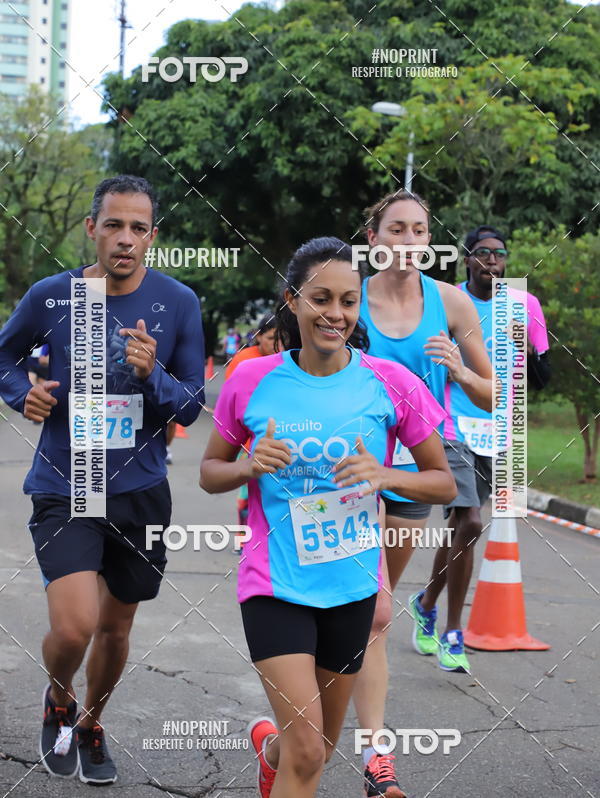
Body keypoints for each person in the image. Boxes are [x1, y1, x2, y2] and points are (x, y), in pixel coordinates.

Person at [200, 237, 456, 798]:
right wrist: (246, 466)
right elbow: (209, 472)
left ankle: (271, 753)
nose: (334, 313)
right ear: (293, 300)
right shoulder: (251, 379)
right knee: (311, 750)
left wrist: (388, 476)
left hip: (352, 587)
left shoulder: (391, 382)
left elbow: (443, 482)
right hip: (275, 583)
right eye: (320, 298)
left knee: (317, 747)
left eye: (347, 300)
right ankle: (286, 754)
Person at [0, 175, 205, 784]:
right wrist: (23, 393)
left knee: (115, 628)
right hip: (65, 482)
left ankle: (90, 722)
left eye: (137, 228)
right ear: (91, 229)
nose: (124, 239)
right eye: (112, 225)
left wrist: (152, 376)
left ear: (152, 236)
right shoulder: (53, 296)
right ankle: (59, 698)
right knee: (74, 625)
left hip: (140, 490)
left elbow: (191, 404)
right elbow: (3, 358)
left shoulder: (178, 302)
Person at [353, 190, 494, 796]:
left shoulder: (451, 303)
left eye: (418, 230)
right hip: (346, 469)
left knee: (377, 610)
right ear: (373, 238)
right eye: (396, 229)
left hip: (417, 468)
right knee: (349, 602)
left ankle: (372, 749)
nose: (408, 241)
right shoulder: (345, 297)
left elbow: (492, 393)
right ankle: (335, 723)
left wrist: (459, 371)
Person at [411, 225, 550, 672]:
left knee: (461, 528)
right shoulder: (448, 300)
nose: (493, 261)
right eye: (483, 254)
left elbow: (544, 377)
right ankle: (454, 631)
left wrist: (527, 352)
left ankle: (426, 601)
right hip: (451, 425)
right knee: (469, 520)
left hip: (499, 428)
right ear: (467, 259)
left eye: (500, 254)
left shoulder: (523, 305)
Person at [224, 314, 277, 535]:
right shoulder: (243, 361)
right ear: (258, 336)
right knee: (247, 492)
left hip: (281, 440)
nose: (276, 344)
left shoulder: (286, 359)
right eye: (271, 338)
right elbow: (231, 404)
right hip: (249, 441)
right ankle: (243, 535)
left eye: (280, 338)